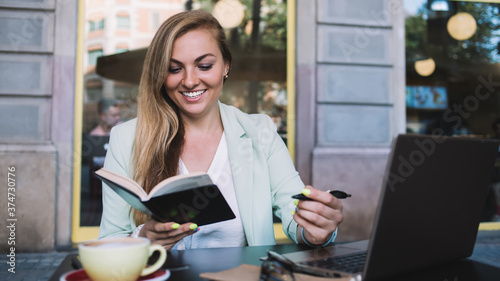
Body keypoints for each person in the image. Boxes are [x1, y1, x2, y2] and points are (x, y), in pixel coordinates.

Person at [98, 10, 343, 250]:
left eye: (204, 65)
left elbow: (294, 214)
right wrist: (143, 239)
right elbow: (108, 244)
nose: (190, 80)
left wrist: (315, 229)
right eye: (174, 69)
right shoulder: (126, 138)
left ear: (226, 66)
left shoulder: (260, 131)